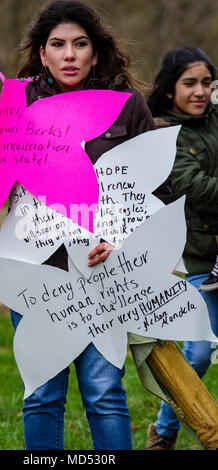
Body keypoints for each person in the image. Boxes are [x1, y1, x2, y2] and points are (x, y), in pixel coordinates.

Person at [0, 0, 160, 450]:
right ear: (42, 53)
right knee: (41, 394)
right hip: (34, 274)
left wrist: (121, 241)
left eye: (80, 44)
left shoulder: (126, 108)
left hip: (103, 274)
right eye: (58, 45)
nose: (69, 54)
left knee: (104, 394)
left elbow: (159, 187)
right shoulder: (13, 106)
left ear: (95, 53)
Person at [146, 46, 218, 450]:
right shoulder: (162, 135)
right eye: (189, 83)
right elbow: (196, 189)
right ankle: (164, 430)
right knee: (201, 352)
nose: (200, 91)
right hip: (198, 262)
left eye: (207, 83)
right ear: (170, 89)